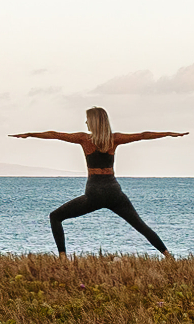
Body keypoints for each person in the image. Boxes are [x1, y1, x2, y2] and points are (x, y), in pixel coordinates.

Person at [16, 106, 183, 255]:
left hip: (94, 192)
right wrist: (168, 134)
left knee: (55, 217)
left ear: (94, 122)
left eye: (88, 120)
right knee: (140, 225)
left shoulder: (84, 139)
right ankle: (168, 256)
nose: (86, 123)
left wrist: (30, 134)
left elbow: (54, 135)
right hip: (113, 191)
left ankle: (62, 258)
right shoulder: (114, 139)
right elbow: (143, 135)